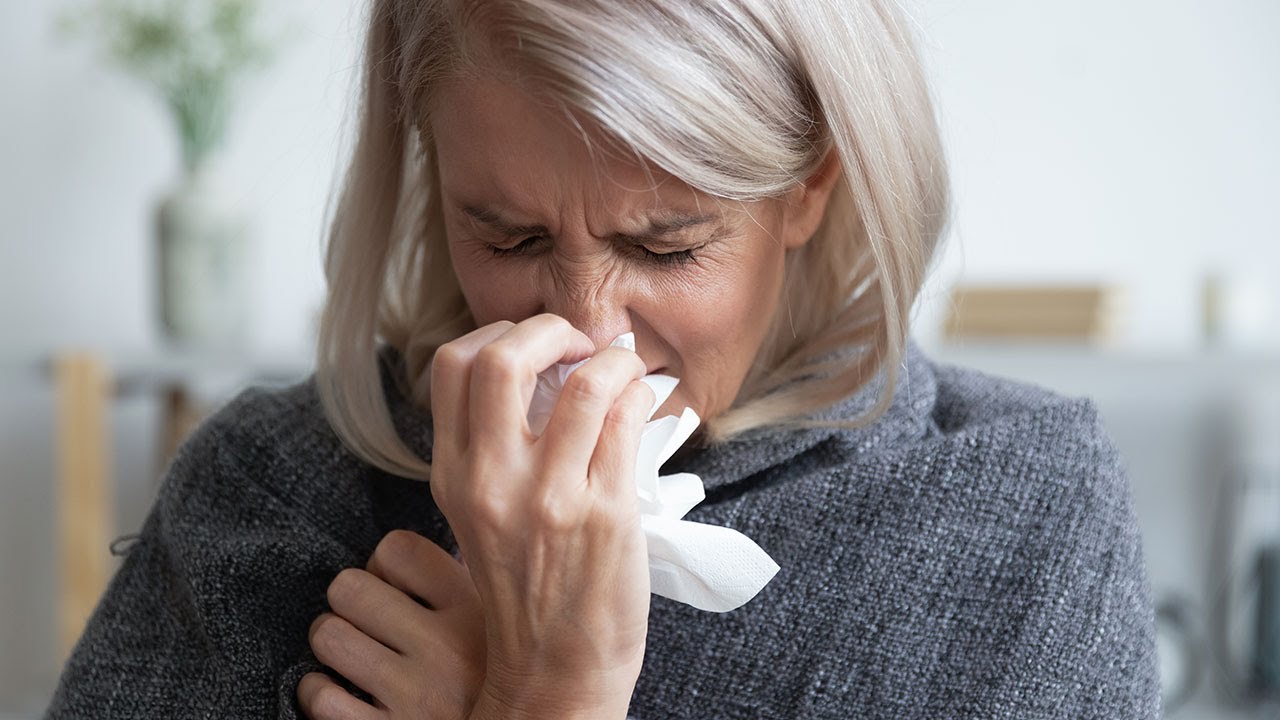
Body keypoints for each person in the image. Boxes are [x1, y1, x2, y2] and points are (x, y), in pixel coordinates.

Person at [45, 0, 1161, 717]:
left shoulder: (1024, 505)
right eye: (508, 238)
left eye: (665, 246)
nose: (590, 335)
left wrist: (540, 693)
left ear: (809, 184)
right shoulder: (275, 487)